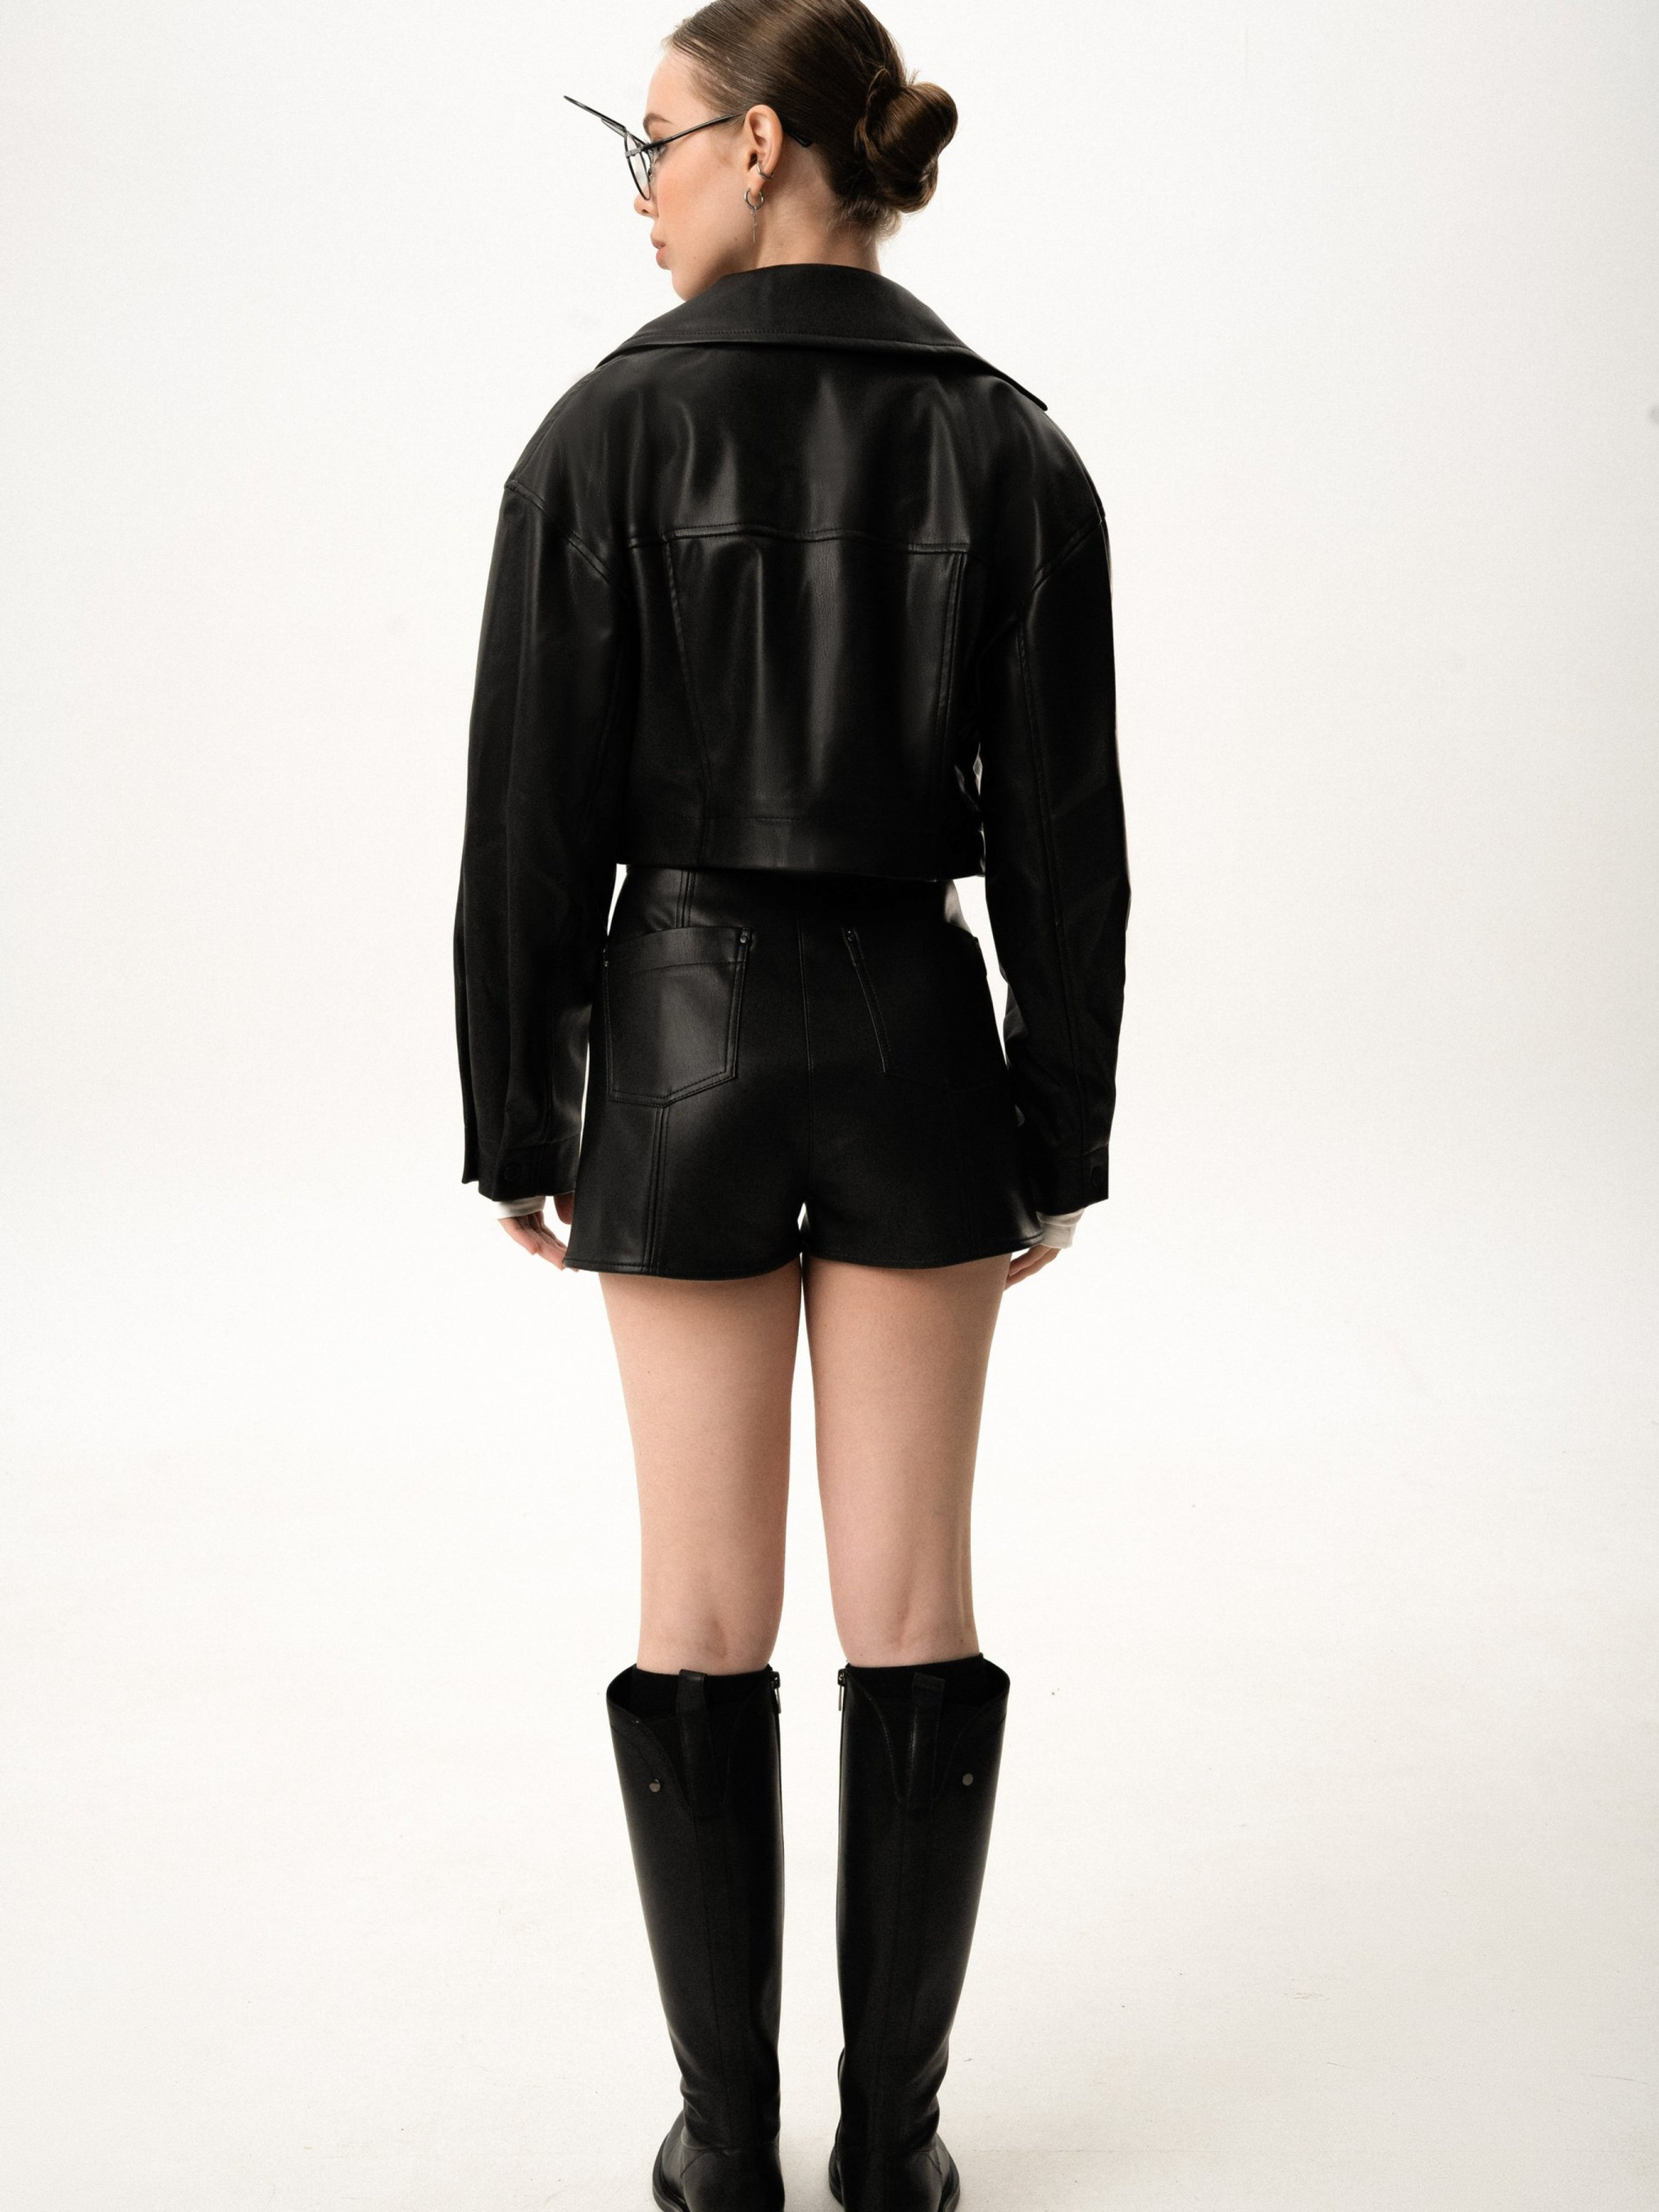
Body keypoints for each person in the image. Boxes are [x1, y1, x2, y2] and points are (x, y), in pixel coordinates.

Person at [451, 3, 1128, 2206]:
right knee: (913, 1593)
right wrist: (1060, 1127)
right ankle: (893, 2150)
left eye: (650, 141)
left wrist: (518, 1110)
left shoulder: (601, 434)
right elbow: (1068, 846)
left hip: (677, 1035)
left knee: (700, 1605)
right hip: (919, 1029)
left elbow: (528, 819)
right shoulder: (1006, 445)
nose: (637, 188)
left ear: (758, 146)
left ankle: (725, 2151)